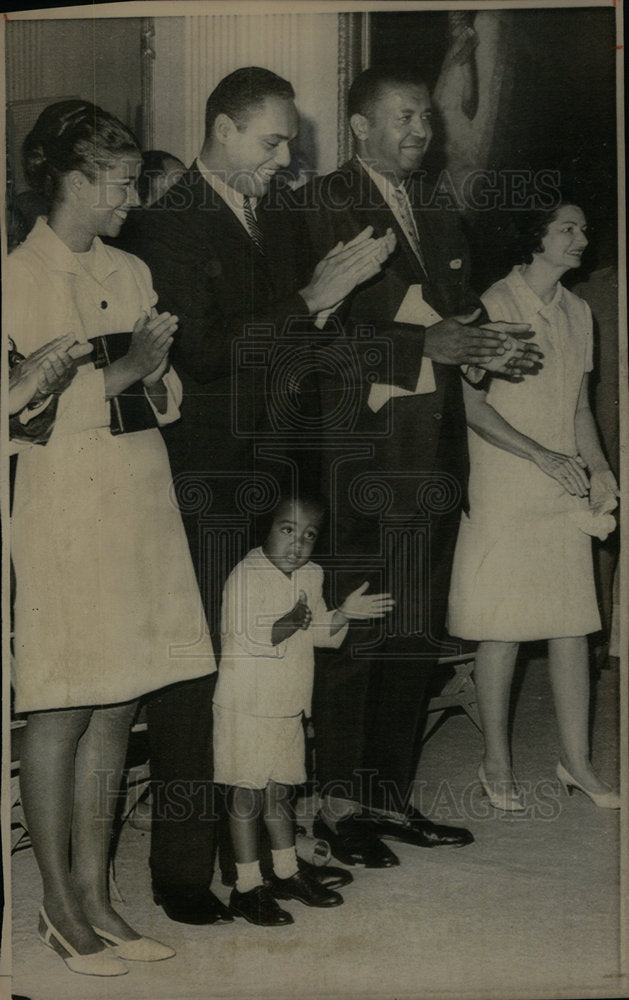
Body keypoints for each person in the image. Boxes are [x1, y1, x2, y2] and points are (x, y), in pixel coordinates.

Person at [119, 66, 396, 921]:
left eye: (289, 143)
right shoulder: (164, 224)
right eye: (273, 141)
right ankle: (180, 873)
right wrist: (313, 299)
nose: (286, 158)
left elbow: (303, 343)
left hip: (278, 473)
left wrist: (323, 310)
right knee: (195, 670)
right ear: (224, 130)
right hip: (202, 480)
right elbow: (200, 355)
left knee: (271, 668)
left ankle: (268, 861)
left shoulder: (278, 216)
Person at [298, 65, 542, 867]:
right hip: (358, 455)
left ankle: (385, 798)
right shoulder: (319, 202)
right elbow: (309, 340)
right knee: (358, 633)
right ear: (359, 125)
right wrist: (423, 346)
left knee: (412, 635)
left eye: (427, 120)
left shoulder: (436, 208)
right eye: (402, 117)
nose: (419, 132)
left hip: (434, 452)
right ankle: (334, 810)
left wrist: (481, 350)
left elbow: (454, 319)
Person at [8, 99, 217, 976]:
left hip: (137, 494)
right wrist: (126, 373)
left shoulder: (131, 270)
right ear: (77, 181)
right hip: (63, 504)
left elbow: (157, 401)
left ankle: (99, 897)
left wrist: (153, 379)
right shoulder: (20, 275)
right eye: (123, 184)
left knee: (122, 695)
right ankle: (58, 907)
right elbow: (23, 415)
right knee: (65, 699)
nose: (133, 198)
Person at [448, 203, 620, 811]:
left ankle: (577, 761)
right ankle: (496, 760)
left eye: (583, 227)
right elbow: (469, 406)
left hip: (561, 479)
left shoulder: (579, 312)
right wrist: (541, 455)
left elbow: (578, 410)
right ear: (535, 238)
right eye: (568, 228)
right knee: (504, 629)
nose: (581, 237)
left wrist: (599, 469)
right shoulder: (495, 303)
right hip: (503, 481)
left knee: (573, 625)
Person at [214, 495, 394, 925]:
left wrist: (344, 614)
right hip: (247, 706)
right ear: (267, 529)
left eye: (309, 535)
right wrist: (298, 617)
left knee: (280, 792)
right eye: (287, 530)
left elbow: (319, 636)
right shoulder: (246, 575)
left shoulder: (311, 574)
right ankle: (246, 886)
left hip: (289, 704)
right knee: (246, 795)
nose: (297, 544)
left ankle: (286, 872)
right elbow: (256, 638)